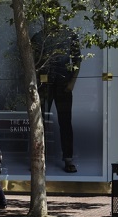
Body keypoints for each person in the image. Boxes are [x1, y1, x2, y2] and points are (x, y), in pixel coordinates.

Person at [32, 20, 82, 173]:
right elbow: (32, 62)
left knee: (65, 122)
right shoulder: (39, 37)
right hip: (44, 84)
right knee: (40, 123)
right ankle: (39, 159)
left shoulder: (69, 35)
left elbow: (77, 59)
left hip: (63, 84)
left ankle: (68, 159)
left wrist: (72, 82)